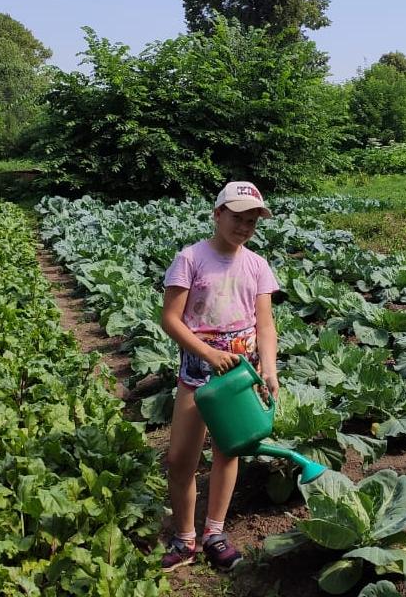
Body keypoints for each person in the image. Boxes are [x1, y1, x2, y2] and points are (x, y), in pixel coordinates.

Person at [160, 181, 280, 572]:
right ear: (217, 214)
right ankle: (184, 538)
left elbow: (265, 325)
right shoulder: (190, 258)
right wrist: (209, 353)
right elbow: (170, 320)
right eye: (237, 218)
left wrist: (270, 367)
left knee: (229, 450)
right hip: (198, 370)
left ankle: (214, 533)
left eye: (251, 221)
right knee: (181, 459)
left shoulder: (257, 265)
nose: (243, 227)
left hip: (239, 376)